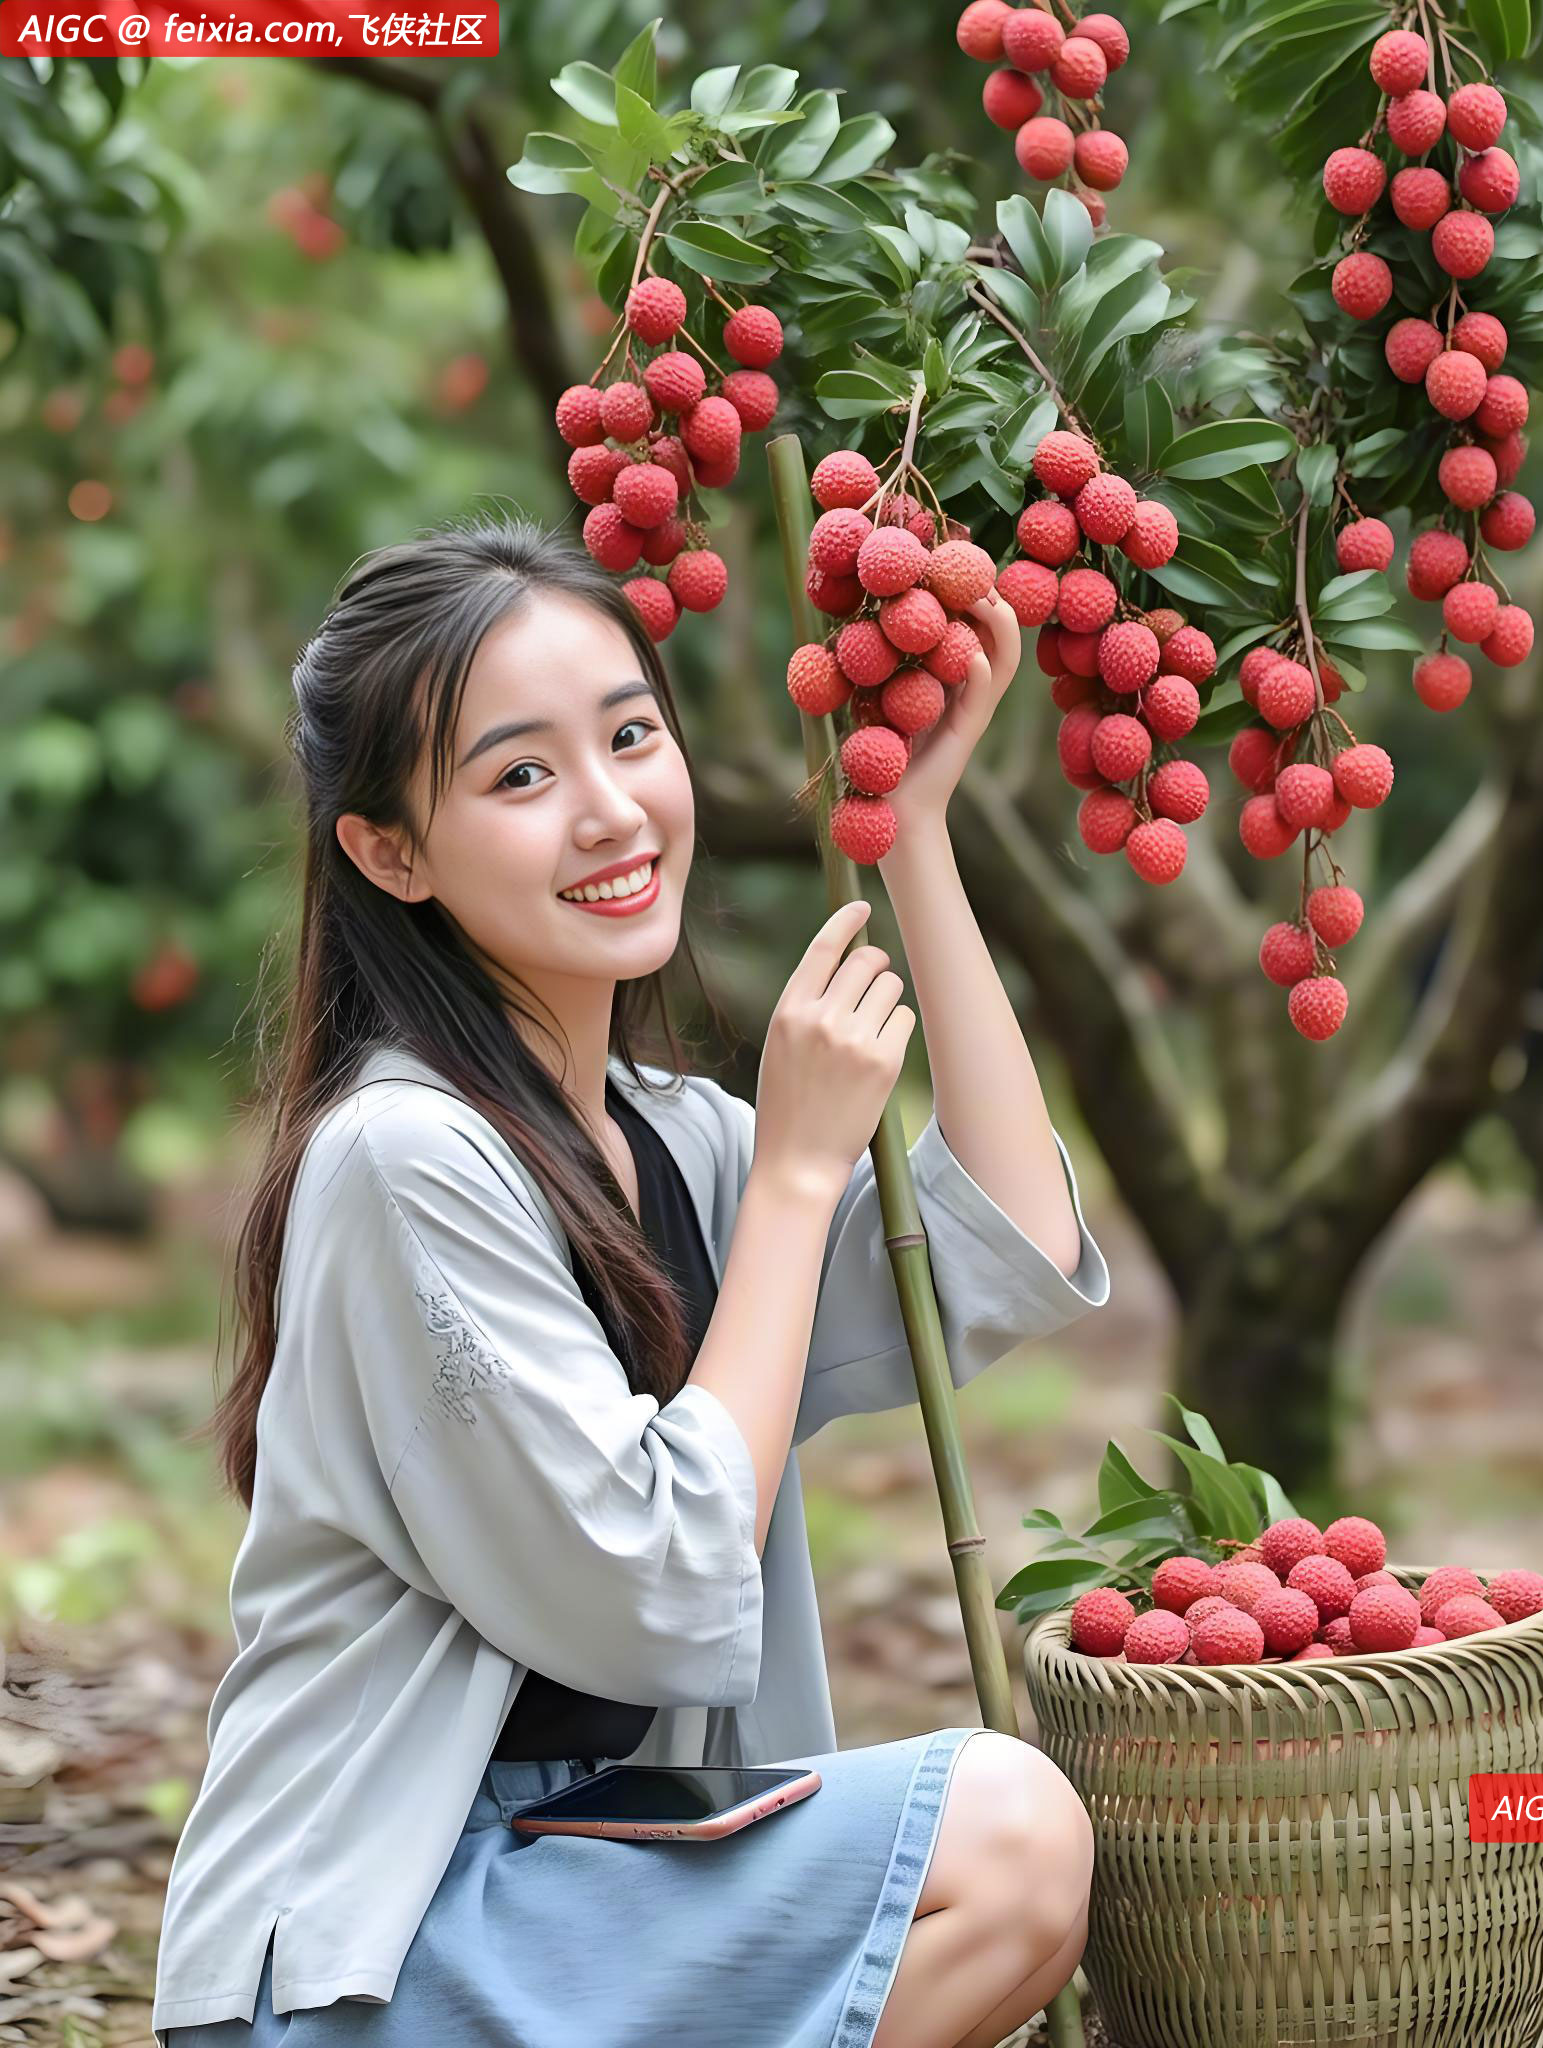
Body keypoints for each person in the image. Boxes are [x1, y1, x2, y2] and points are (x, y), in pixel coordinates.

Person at [150, 512, 1114, 2048]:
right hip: (387, 1944)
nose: (609, 811)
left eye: (631, 736)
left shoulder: (680, 1141)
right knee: (1002, 1833)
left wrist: (913, 826)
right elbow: (647, 1588)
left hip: (605, 1874)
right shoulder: (407, 1161)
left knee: (1011, 1858)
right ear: (389, 850)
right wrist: (803, 1178)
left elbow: (1000, 1251)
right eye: (522, 775)